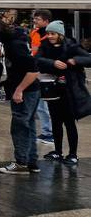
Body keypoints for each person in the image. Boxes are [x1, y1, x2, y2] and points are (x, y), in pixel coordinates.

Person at [0, 15, 40, 176]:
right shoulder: (15, 38)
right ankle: (31, 162)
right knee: (28, 125)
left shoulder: (14, 44)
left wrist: (19, 89)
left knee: (20, 126)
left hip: (26, 89)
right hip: (28, 88)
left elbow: (33, 70)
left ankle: (21, 162)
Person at [35, 20, 91, 166]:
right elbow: (37, 60)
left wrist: (76, 60)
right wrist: (52, 63)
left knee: (69, 122)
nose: (49, 36)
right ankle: (57, 151)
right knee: (55, 121)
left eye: (52, 33)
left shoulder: (72, 46)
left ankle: (73, 154)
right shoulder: (45, 46)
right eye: (48, 33)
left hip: (69, 90)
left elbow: (89, 58)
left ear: (60, 34)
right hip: (52, 90)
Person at [30, 9, 55, 146]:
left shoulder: (50, 36)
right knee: (41, 104)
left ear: (46, 21)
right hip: (36, 71)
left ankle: (49, 133)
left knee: (44, 104)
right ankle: (47, 132)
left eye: (38, 19)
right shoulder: (35, 33)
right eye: (35, 18)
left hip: (45, 73)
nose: (35, 21)